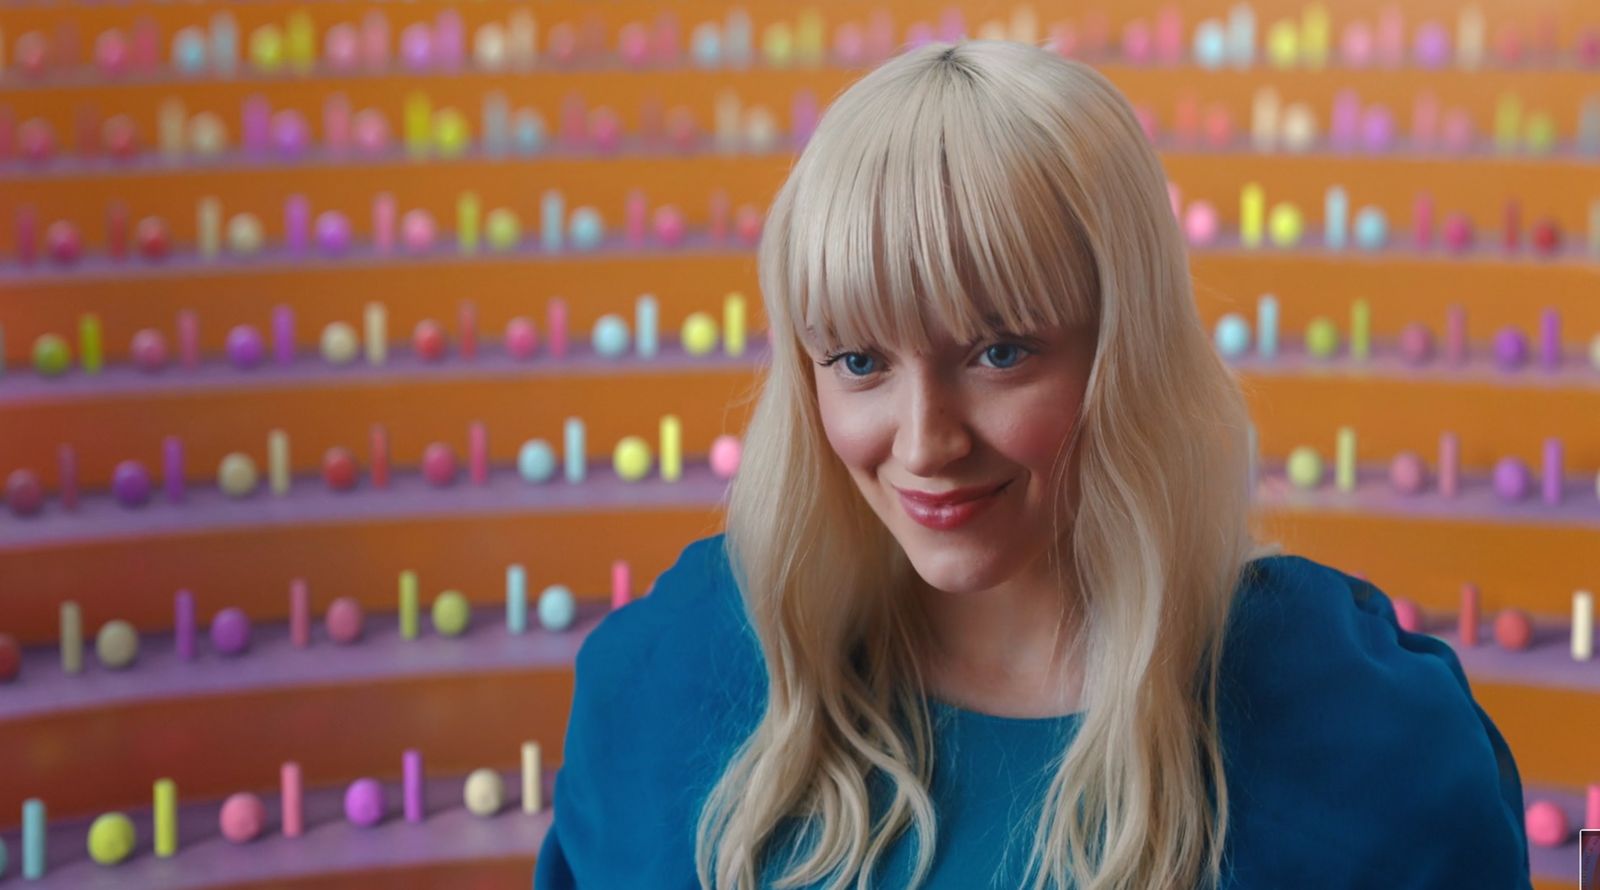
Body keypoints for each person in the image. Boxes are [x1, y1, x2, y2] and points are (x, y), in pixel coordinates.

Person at [535, 40, 1531, 889]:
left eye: (998, 351)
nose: (924, 443)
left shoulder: (1366, 733)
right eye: (858, 361)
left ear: (1127, 350)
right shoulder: (662, 683)